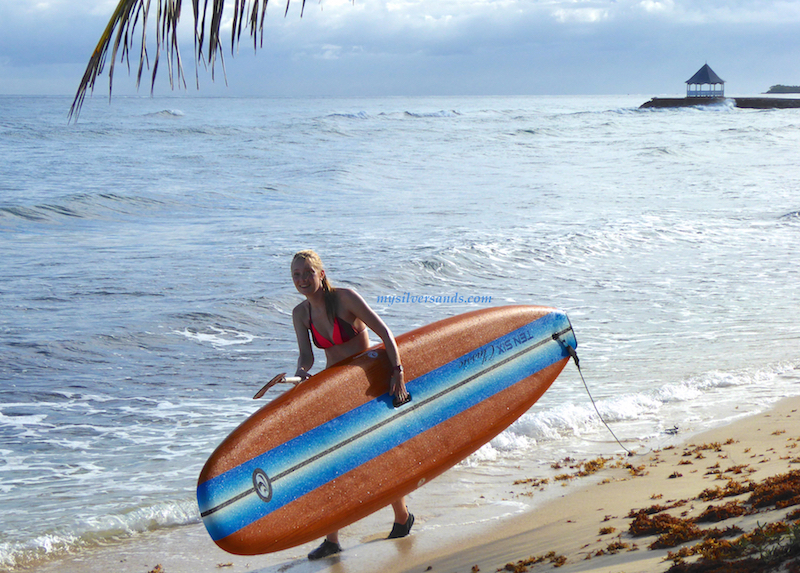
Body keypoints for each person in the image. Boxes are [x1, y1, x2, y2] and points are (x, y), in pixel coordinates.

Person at [290, 250, 415, 560]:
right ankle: (331, 539)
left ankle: (402, 515)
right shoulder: (300, 314)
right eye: (296, 275)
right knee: (330, 463)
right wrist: (300, 374)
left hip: (369, 381)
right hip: (335, 388)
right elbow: (307, 356)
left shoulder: (346, 298)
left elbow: (384, 332)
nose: (303, 279)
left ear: (321, 273)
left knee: (377, 454)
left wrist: (398, 372)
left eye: (308, 272)